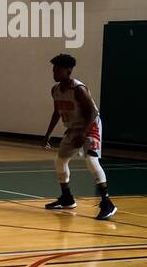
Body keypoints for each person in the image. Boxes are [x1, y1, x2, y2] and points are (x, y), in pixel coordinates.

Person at [41, 53, 116, 220]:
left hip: (90, 126)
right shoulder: (55, 90)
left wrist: (83, 133)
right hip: (74, 128)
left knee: (91, 160)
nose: (54, 72)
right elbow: (56, 112)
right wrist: (47, 134)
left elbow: (93, 112)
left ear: (68, 71)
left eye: (57, 69)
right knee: (60, 161)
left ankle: (107, 203)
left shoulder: (79, 89)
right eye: (53, 69)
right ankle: (67, 197)